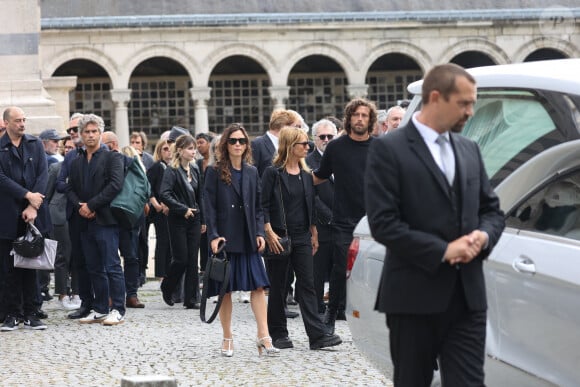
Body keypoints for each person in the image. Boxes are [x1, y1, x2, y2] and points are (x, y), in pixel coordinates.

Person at [365, 63, 505, 386]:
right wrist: (444, 250)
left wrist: (483, 236)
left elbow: (493, 211)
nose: (471, 112)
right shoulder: (388, 149)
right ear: (436, 97)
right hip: (413, 297)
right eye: (464, 103)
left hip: (468, 298)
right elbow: (383, 223)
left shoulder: (469, 149)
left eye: (473, 103)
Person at [262, 126, 342, 351]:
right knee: (279, 285)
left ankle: (317, 336)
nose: (307, 146)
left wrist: (314, 231)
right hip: (279, 236)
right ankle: (278, 333)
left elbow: (309, 205)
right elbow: (263, 205)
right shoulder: (273, 173)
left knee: (308, 285)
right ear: (290, 146)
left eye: (307, 143)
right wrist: (268, 231)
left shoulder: (307, 175)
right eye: (303, 143)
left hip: (303, 236)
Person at [203, 123, 279, 357]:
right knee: (225, 290)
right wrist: (214, 235)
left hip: (248, 237)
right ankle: (227, 337)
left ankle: (264, 336)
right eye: (233, 140)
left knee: (258, 287)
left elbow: (258, 207)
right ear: (225, 144)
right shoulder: (213, 171)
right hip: (225, 238)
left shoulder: (252, 171)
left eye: (242, 141)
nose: (238, 144)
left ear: (247, 145)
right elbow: (208, 207)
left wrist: (259, 232)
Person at [313, 98, 377, 333]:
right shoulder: (336, 147)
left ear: (370, 120)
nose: (360, 119)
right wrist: (292, 179)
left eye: (364, 115)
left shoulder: (379, 147)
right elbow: (320, 175)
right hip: (343, 219)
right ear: (349, 118)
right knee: (340, 269)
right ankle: (331, 315)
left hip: (372, 221)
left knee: (371, 269)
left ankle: (370, 318)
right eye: (356, 115)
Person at [65, 114, 127, 326]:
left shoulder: (113, 157)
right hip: (84, 221)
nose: (90, 135)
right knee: (93, 267)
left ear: (100, 134)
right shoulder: (76, 160)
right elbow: (70, 187)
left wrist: (92, 205)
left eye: (94, 132)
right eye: (87, 132)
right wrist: (80, 206)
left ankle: (118, 308)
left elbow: (115, 185)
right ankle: (100, 308)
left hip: (106, 220)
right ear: (81, 135)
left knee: (111, 265)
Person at [0, 106, 50, 331]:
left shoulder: (35, 144)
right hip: (8, 214)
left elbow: (43, 174)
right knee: (9, 267)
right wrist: (26, 195)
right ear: (7, 123)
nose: (22, 124)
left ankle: (31, 313)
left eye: (24, 120)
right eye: (18, 120)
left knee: (31, 266)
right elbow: (1, 178)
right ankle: (12, 314)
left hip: (33, 214)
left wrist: (33, 204)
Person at [159, 134, 204, 309]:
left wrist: (203, 219)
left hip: (194, 218)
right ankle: (167, 286)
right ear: (180, 150)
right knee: (181, 259)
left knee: (193, 259)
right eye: (190, 148)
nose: (194, 152)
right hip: (177, 219)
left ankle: (191, 299)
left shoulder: (195, 169)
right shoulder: (171, 170)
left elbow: (200, 196)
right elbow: (164, 193)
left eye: (194, 148)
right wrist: (182, 209)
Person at [305, 119, 337, 314]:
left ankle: (338, 306)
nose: (326, 140)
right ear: (314, 139)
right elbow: (311, 194)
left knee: (339, 269)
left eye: (330, 136)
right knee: (317, 271)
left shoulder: (343, 158)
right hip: (320, 225)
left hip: (343, 224)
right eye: (322, 137)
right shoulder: (308, 162)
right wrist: (328, 216)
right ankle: (315, 308)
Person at [46, 136, 80, 311]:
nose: (68, 150)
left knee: (77, 256)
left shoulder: (82, 167)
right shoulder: (56, 168)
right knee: (62, 256)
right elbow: (47, 194)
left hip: (77, 215)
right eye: (66, 147)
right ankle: (62, 293)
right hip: (59, 217)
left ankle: (76, 292)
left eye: (71, 147)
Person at [147, 139, 172, 279]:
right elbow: (148, 187)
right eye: (165, 149)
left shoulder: (174, 168)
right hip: (160, 211)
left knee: (171, 242)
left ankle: (170, 272)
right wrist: (156, 204)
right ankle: (161, 274)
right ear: (159, 151)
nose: (168, 152)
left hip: (173, 210)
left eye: (170, 149)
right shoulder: (157, 167)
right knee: (162, 241)